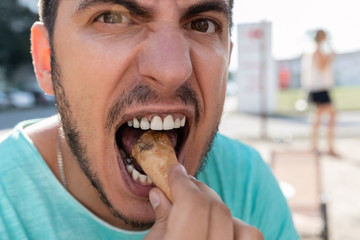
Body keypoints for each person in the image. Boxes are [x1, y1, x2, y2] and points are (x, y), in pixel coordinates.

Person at [0, 0, 299, 239]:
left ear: (227, 59)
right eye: (112, 17)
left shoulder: (247, 181)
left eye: (202, 24)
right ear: (46, 59)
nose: (172, 70)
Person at [302, 29, 338, 156]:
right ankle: (328, 146)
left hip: (316, 88)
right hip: (320, 88)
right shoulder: (316, 50)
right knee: (331, 116)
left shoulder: (312, 50)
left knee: (318, 117)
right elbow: (322, 66)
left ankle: (315, 145)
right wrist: (331, 56)